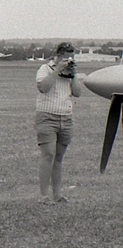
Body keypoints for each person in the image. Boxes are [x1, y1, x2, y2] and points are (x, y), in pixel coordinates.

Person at [36, 42, 85, 204]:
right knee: (48, 154)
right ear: (57, 56)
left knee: (58, 157)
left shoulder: (70, 72)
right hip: (47, 116)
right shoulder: (45, 69)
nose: (68, 59)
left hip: (65, 117)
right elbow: (43, 87)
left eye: (71, 56)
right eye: (65, 56)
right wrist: (57, 70)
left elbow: (77, 93)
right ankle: (44, 195)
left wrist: (74, 73)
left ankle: (57, 195)